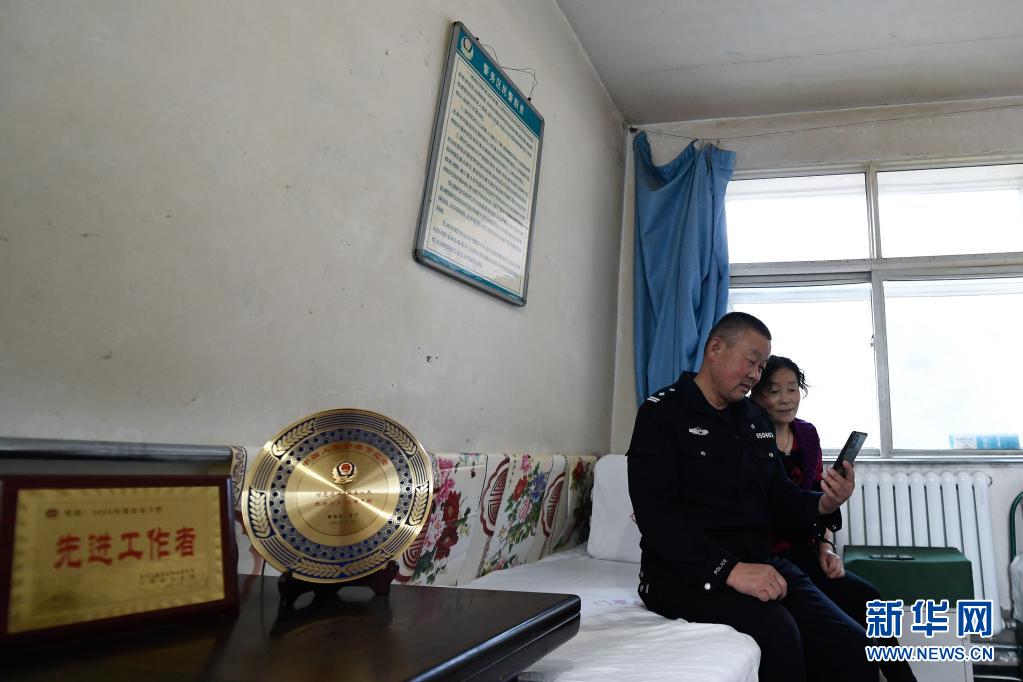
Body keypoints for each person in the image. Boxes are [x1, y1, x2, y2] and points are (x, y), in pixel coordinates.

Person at [627, 312, 876, 681]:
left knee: (853, 646)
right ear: (715, 348)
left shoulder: (754, 419)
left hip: (760, 562)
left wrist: (823, 503)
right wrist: (728, 570)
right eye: (752, 361)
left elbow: (780, 495)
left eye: (761, 367)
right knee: (781, 636)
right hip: (684, 574)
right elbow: (658, 518)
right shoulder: (661, 414)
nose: (756, 375)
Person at [752, 355, 915, 682]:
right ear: (756, 395)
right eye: (773, 390)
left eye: (792, 389)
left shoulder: (807, 434)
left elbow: (818, 496)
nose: (785, 399)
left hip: (809, 554)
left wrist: (827, 548)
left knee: (871, 600)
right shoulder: (751, 438)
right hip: (773, 559)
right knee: (846, 637)